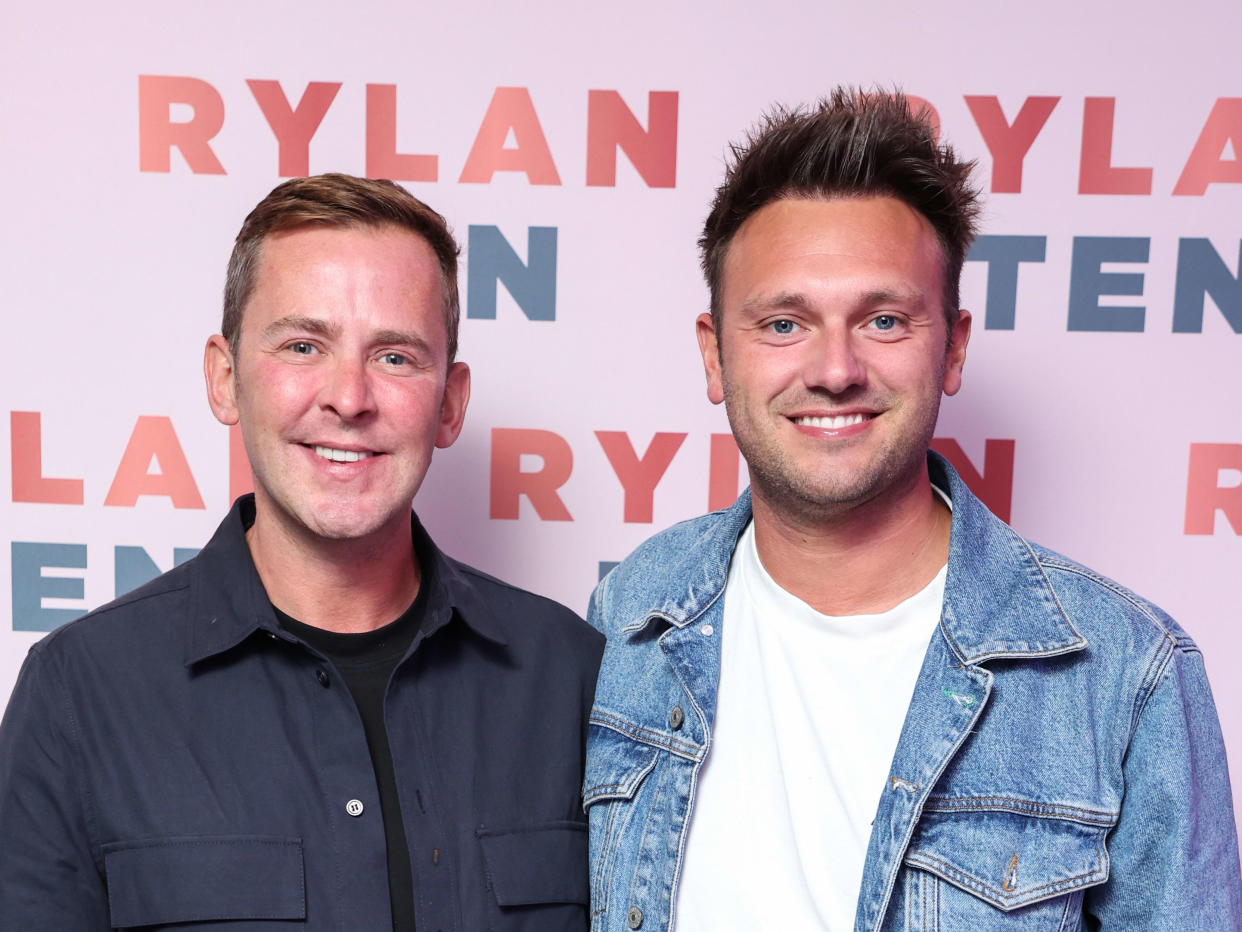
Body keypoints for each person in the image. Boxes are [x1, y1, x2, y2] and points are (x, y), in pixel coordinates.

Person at [583, 90, 1242, 931]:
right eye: (784, 323)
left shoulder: (1125, 675)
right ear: (716, 355)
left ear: (953, 346)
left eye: (884, 319)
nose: (834, 369)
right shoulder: (630, 615)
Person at [0, 173, 602, 930]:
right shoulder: (80, 695)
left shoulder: (576, 682)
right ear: (225, 379)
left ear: (449, 403)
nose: (348, 397)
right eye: (302, 345)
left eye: (395, 357)